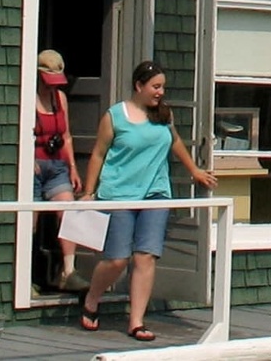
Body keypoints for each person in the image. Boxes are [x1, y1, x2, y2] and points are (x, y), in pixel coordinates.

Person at [79, 61, 217, 341]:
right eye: (155, 86)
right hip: (119, 194)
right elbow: (98, 154)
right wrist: (88, 192)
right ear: (139, 86)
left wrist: (194, 171)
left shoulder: (163, 115)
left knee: (146, 256)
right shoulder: (115, 116)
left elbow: (174, 141)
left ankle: (136, 322)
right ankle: (92, 299)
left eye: (162, 87)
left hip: (155, 193)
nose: (160, 92)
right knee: (117, 260)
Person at [33, 49, 89, 292]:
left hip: (56, 164)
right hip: (34, 164)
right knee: (30, 219)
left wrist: (73, 167)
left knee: (68, 209)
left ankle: (68, 270)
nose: (50, 86)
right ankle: (26, 274)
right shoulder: (27, 97)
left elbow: (65, 136)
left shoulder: (60, 99)